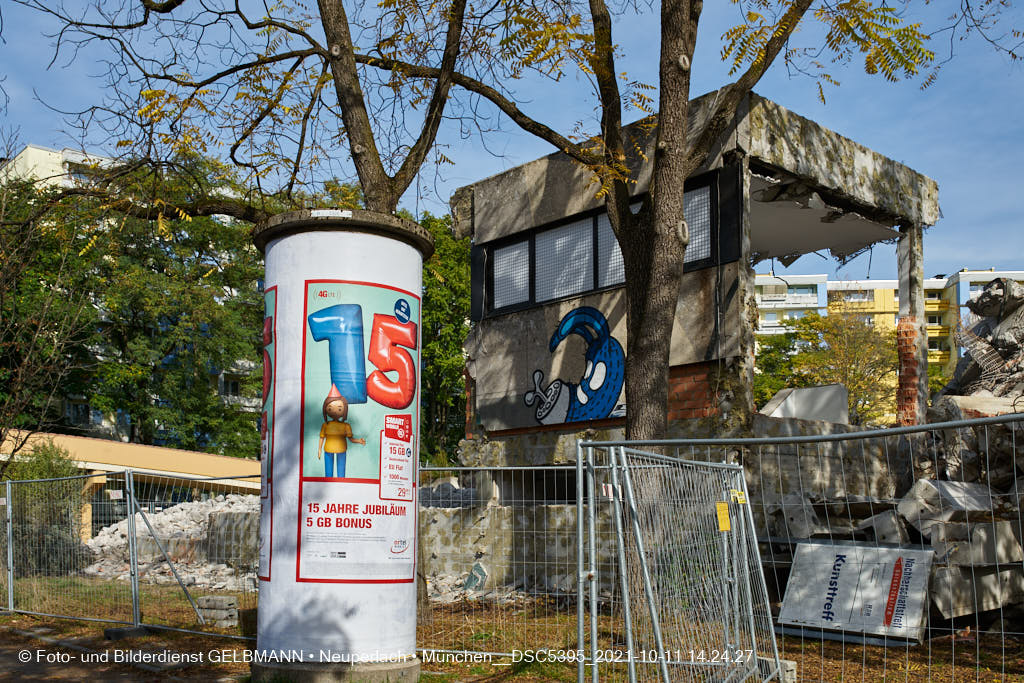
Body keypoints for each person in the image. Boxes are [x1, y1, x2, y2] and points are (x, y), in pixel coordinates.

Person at [318, 384, 366, 478]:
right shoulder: (325, 425)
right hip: (328, 449)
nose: (335, 411)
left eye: (339, 408)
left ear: (344, 410)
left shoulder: (346, 426)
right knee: (328, 475)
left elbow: (350, 439)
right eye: (330, 408)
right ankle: (329, 483)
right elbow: (321, 438)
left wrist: (359, 441)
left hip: (341, 450)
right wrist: (319, 449)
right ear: (326, 409)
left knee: (341, 475)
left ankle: (341, 484)